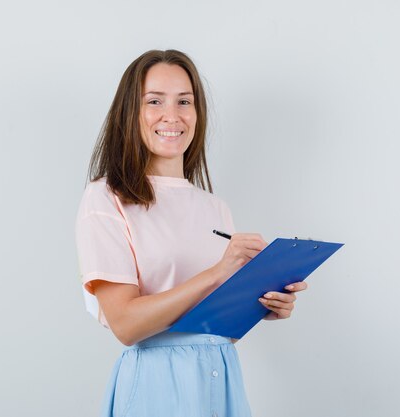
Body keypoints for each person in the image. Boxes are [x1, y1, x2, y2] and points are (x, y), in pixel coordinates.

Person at [75, 49, 308, 417]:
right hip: (156, 385)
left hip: (221, 375)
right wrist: (217, 273)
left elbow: (217, 330)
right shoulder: (105, 198)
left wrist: (259, 305)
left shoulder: (215, 208)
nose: (172, 115)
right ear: (129, 113)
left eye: (185, 101)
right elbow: (126, 324)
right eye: (154, 101)